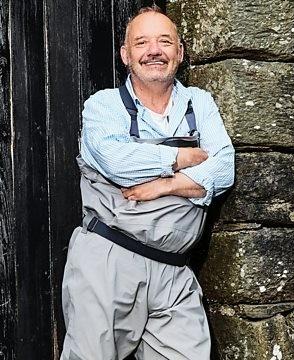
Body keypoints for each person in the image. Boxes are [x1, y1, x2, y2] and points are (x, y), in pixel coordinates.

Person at [61, 5, 234, 360]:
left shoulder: (199, 102)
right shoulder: (104, 106)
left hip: (174, 269)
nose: (154, 51)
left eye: (164, 41)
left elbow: (225, 168)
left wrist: (164, 185)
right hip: (109, 262)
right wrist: (181, 159)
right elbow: (117, 162)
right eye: (141, 43)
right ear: (126, 55)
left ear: (180, 52)